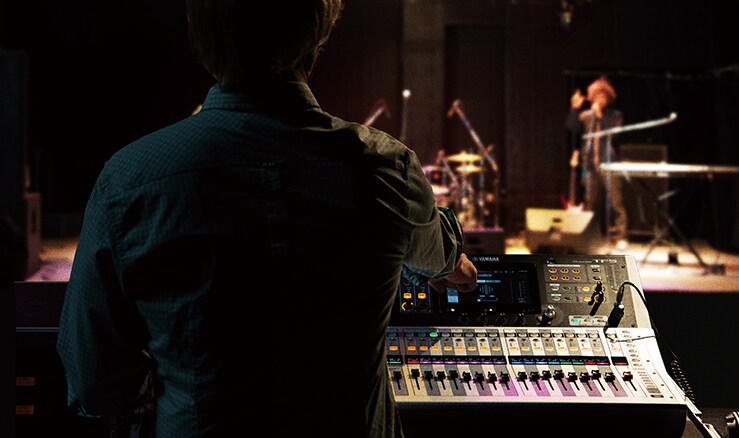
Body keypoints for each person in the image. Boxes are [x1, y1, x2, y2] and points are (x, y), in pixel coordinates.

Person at [55, 1, 478, 438]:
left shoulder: (128, 181)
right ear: (319, 32)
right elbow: (439, 254)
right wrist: (453, 263)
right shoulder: (387, 168)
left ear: (200, 36)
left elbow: (95, 382)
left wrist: (173, 390)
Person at [566, 75, 628, 249]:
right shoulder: (586, 116)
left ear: (608, 98)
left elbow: (614, 134)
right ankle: (590, 236)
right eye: (597, 95)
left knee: (616, 202)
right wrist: (574, 109)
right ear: (592, 97)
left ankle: (620, 236)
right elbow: (572, 127)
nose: (600, 98)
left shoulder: (615, 116)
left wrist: (600, 116)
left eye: (603, 95)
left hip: (610, 166)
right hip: (589, 167)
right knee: (590, 203)